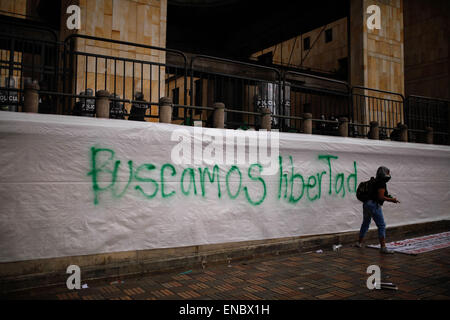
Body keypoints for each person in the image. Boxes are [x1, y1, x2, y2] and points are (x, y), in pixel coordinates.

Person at [355, 166, 400, 254]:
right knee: (381, 225)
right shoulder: (381, 183)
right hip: (374, 205)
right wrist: (392, 200)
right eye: (387, 173)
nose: (389, 175)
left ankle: (359, 242)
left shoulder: (374, 181)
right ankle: (383, 247)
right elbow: (381, 197)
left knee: (365, 223)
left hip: (366, 204)